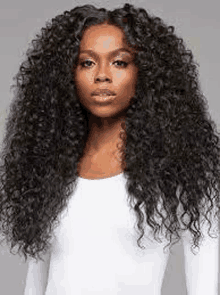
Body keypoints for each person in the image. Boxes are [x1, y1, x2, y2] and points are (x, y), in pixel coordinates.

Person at [0, 3, 219, 295]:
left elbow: (205, 283)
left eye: (119, 62)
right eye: (87, 62)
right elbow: (36, 283)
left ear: (145, 74)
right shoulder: (50, 167)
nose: (102, 75)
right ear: (68, 75)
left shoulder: (182, 169)